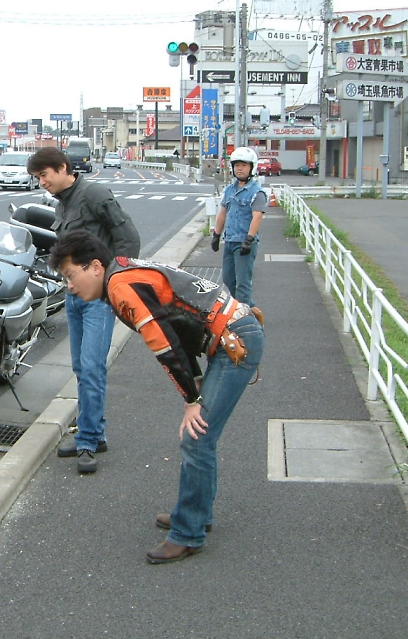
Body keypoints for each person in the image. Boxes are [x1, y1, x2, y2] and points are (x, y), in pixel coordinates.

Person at [49, 229, 264, 564]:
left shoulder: (119, 286)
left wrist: (191, 400)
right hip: (231, 334)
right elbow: (176, 328)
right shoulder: (122, 270)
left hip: (235, 340)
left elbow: (163, 343)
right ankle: (195, 515)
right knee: (200, 437)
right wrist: (193, 385)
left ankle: (188, 534)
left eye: (70, 275)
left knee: (197, 438)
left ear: (94, 266)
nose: (70, 286)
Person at [28, 147, 141, 475]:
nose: (41, 182)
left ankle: (88, 440)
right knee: (81, 367)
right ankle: (96, 432)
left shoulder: (94, 194)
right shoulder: (62, 203)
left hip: (98, 298)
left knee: (92, 367)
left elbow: (129, 239)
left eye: (44, 175)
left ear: (63, 168)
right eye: (37, 178)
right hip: (74, 295)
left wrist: (112, 282)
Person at [211, 147, 266, 308]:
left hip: (244, 242)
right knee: (228, 279)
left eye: (243, 165)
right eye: (237, 165)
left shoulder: (257, 192)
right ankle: (250, 309)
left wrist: (249, 239)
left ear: (252, 167)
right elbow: (222, 212)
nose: (239, 169)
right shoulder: (229, 190)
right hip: (230, 240)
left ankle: (244, 316)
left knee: (243, 283)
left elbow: (257, 216)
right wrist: (216, 235)